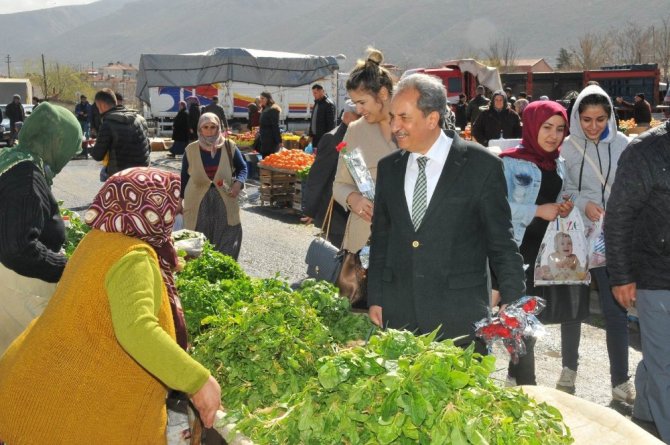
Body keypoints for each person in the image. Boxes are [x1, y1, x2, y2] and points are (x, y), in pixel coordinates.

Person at [0, 167, 222, 443]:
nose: (175, 216)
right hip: (62, 415)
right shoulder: (134, 258)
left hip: (33, 389)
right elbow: (137, 328)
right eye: (172, 207)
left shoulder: (99, 240)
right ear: (152, 209)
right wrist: (198, 382)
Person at [367, 73, 525, 346]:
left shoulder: (480, 166)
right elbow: (381, 238)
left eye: (404, 118)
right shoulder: (389, 168)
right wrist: (377, 297)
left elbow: (501, 241)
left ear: (432, 118)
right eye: (392, 117)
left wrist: (513, 302)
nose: (395, 126)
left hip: (459, 318)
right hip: (400, 315)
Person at [562, 84, 634, 402]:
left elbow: (633, 189)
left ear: (610, 116)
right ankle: (568, 368)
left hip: (612, 238)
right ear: (577, 117)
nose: (593, 126)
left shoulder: (624, 146)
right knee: (573, 308)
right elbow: (560, 189)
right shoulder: (565, 147)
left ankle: (620, 381)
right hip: (576, 237)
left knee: (615, 308)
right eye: (587, 119)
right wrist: (582, 203)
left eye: (600, 119)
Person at [497, 100, 574, 385]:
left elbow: (554, 196)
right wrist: (537, 211)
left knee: (528, 321)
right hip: (515, 250)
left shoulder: (558, 162)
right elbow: (495, 209)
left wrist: (561, 207)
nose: (553, 135)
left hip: (544, 252)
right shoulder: (509, 161)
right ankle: (528, 387)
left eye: (559, 129)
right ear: (531, 126)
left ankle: (513, 377)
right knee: (523, 322)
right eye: (546, 127)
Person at [605, 120, 670, 442]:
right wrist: (621, 275)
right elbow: (618, 215)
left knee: (659, 359)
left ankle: (645, 415)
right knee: (665, 367)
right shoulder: (645, 150)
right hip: (657, 277)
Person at [0, 102, 83, 354]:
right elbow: (17, 248)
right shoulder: (26, 177)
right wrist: (68, 267)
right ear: (56, 140)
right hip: (17, 289)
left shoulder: (13, 159)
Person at [332, 48, 398, 269]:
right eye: (354, 103)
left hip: (408, 246)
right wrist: (353, 199)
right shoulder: (356, 132)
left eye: (362, 102)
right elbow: (341, 183)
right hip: (364, 244)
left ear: (382, 94)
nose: (358, 110)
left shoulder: (413, 126)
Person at [181, 113, 247, 260]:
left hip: (224, 197)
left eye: (213, 127)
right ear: (200, 128)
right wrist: (179, 201)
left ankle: (224, 269)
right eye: (206, 127)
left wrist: (238, 183)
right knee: (197, 237)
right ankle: (199, 274)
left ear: (219, 128)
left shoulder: (229, 146)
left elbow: (243, 168)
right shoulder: (190, 150)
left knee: (228, 233)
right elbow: (184, 177)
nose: (209, 130)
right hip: (198, 200)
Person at [301, 100, 359, 247]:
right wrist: (310, 209)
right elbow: (318, 176)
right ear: (346, 116)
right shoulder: (333, 138)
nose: (362, 119)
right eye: (357, 116)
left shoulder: (358, 135)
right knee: (340, 257)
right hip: (336, 213)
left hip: (354, 211)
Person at [90, 88, 151, 181]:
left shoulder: (108, 123)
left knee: (103, 174)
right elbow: (148, 148)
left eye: (97, 107)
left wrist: (94, 144)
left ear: (101, 105)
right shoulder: (140, 119)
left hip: (120, 175)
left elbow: (97, 156)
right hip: (143, 173)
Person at [309, 83, 336, 148]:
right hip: (315, 137)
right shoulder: (317, 102)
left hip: (323, 138)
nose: (313, 95)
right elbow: (313, 119)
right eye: (313, 93)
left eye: (315, 93)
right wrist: (310, 133)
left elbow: (331, 124)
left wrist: (328, 138)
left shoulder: (328, 104)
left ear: (322, 91)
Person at [258, 91, 282, 158]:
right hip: (264, 139)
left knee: (269, 159)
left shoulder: (273, 109)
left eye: (263, 98)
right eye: (260, 98)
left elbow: (275, 126)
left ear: (268, 99)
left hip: (270, 141)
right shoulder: (265, 109)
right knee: (265, 158)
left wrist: (279, 141)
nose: (261, 100)